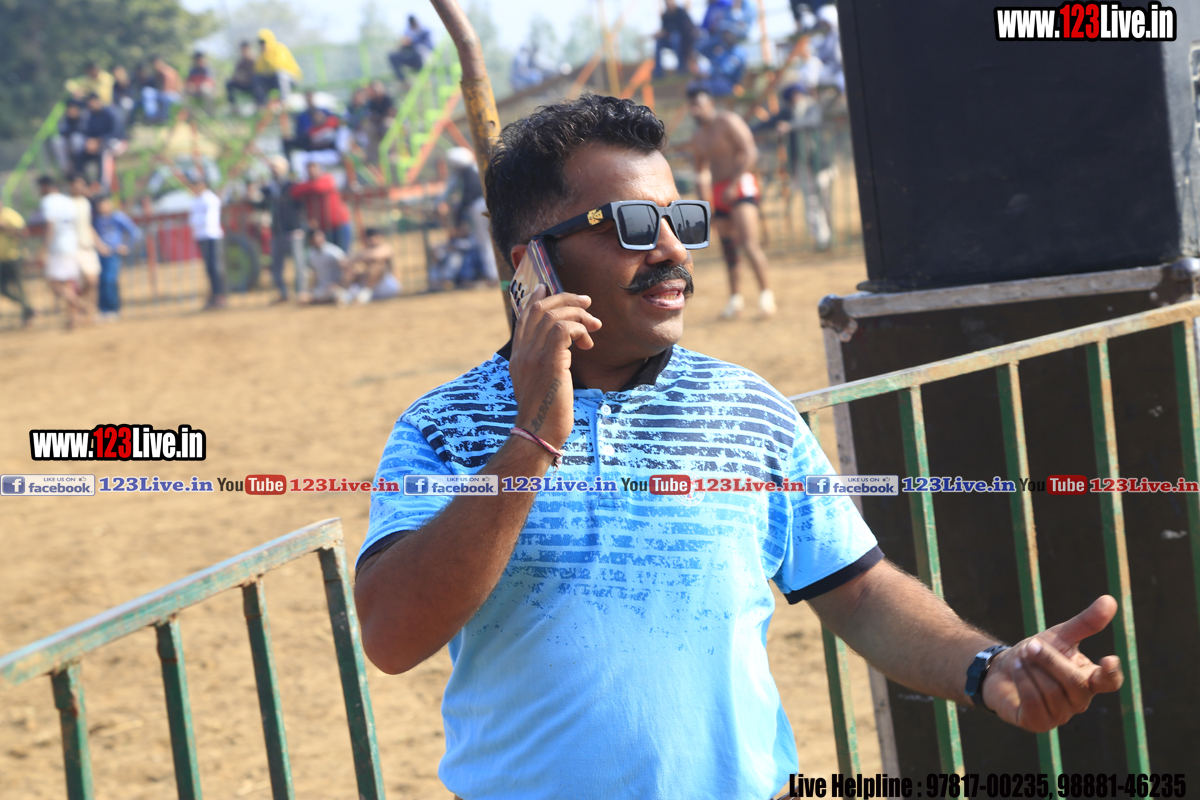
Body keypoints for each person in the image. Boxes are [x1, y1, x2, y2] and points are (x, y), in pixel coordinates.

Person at [353, 94, 1127, 800]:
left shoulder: (745, 407)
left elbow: (859, 592)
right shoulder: (444, 426)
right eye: (633, 224)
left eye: (681, 220)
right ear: (533, 262)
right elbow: (392, 637)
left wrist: (986, 667)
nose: (673, 251)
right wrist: (531, 440)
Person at [688, 85, 774, 318]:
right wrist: (705, 205)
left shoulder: (728, 121)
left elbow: (750, 152)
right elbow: (700, 172)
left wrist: (734, 184)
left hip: (740, 184)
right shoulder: (698, 137)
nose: (695, 110)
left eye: (699, 105)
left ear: (710, 104)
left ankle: (766, 297)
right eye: (692, 106)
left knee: (749, 243)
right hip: (718, 192)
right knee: (728, 248)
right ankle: (735, 300)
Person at [771, 83, 834, 251]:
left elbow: (813, 121)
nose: (796, 98)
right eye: (792, 96)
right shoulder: (788, 112)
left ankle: (829, 236)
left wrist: (790, 126)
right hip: (802, 164)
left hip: (820, 162)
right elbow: (769, 123)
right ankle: (821, 239)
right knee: (812, 201)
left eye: (797, 94)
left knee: (825, 200)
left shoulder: (812, 107)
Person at [439, 147, 497, 284]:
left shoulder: (467, 175)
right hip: (489, 203)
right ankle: (494, 274)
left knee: (486, 241)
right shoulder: (476, 170)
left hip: (479, 207)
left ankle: (493, 274)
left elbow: (465, 199)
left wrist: (458, 219)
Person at [36, 176, 88, 329]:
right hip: (72, 245)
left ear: (45, 187)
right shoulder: (68, 200)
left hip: (57, 247)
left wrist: (44, 248)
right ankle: (73, 319)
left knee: (53, 283)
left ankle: (80, 304)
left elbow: (50, 226)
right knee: (68, 284)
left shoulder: (47, 201)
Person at [259, 156, 308, 302]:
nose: (274, 170)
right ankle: (282, 292)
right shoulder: (269, 188)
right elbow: (260, 204)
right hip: (277, 231)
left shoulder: (293, 186)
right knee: (276, 265)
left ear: (284, 169)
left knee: (299, 264)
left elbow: (301, 205)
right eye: (272, 167)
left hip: (294, 230)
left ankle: (302, 292)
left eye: (277, 167)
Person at [92, 195, 141, 319]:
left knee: (110, 280)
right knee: (101, 281)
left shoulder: (117, 217)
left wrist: (126, 245)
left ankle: (113, 309)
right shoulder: (95, 220)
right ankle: (103, 310)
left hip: (113, 254)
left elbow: (135, 232)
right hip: (98, 254)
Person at [291, 162, 352, 252]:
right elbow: (295, 192)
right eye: (309, 170)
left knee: (342, 253)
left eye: (314, 169)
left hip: (339, 224)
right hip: (323, 228)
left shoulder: (327, 178)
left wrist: (307, 186)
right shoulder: (306, 185)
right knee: (327, 253)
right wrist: (308, 186)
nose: (312, 172)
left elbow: (320, 187)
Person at [189, 177, 225, 309]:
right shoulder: (196, 199)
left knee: (216, 268)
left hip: (212, 235)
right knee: (209, 268)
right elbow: (192, 219)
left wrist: (197, 222)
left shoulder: (210, 199)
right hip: (201, 236)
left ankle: (220, 295)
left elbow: (207, 219)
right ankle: (213, 295)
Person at [77, 94, 126, 188]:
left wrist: (99, 140)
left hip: (117, 142)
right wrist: (89, 142)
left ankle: (103, 186)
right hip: (98, 144)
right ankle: (82, 183)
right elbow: (89, 133)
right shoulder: (91, 117)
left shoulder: (110, 113)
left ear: (97, 101)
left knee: (104, 152)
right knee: (81, 154)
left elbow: (116, 132)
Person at [339, 227, 399, 303]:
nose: (372, 240)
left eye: (375, 237)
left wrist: (357, 257)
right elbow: (344, 262)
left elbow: (375, 255)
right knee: (353, 270)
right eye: (369, 238)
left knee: (377, 265)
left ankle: (365, 293)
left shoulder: (386, 248)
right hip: (368, 287)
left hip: (386, 286)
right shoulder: (364, 251)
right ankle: (345, 293)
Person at [0, 195, 34, 326]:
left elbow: (24, 234)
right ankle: (26, 307)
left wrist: (6, 228)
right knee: (3, 289)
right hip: (1, 260)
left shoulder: (10, 216)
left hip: (14, 258)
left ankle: (26, 315)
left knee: (19, 288)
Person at [70, 176, 101, 312]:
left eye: (82, 185)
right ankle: (78, 307)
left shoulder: (85, 203)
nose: (80, 188)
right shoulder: (67, 203)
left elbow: (88, 225)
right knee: (81, 282)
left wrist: (99, 243)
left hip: (88, 246)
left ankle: (87, 310)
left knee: (93, 282)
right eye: (78, 185)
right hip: (74, 248)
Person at [289, 107, 348, 177]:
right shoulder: (315, 130)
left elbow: (340, 144)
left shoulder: (336, 125)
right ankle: (302, 178)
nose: (317, 118)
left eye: (319, 116)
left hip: (335, 154)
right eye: (315, 117)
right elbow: (314, 143)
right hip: (324, 153)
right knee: (300, 156)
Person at [254, 29, 303, 106]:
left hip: (291, 78)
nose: (262, 45)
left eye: (263, 42)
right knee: (256, 78)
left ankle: (284, 101)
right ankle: (262, 104)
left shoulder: (279, 48)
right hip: (274, 79)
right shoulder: (262, 54)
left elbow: (278, 66)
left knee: (281, 74)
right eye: (260, 43)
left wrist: (266, 57)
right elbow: (258, 70)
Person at [299, 227, 345, 304]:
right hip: (320, 288)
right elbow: (313, 275)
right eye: (315, 238)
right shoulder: (310, 254)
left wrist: (339, 283)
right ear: (311, 240)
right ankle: (323, 299)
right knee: (302, 298)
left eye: (320, 236)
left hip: (334, 288)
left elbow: (346, 270)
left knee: (339, 298)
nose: (318, 239)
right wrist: (311, 288)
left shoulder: (334, 252)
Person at [653, 0, 697, 78]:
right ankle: (658, 71)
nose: (668, 4)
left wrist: (668, 32)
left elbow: (686, 28)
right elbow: (664, 29)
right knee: (659, 42)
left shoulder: (681, 12)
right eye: (667, 3)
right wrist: (660, 34)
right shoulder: (666, 16)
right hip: (669, 40)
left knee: (675, 38)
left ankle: (682, 67)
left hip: (683, 41)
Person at [389, 15, 434, 82]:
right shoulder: (408, 33)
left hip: (423, 59)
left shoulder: (425, 32)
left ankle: (425, 79)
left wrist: (412, 42)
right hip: (412, 58)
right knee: (393, 56)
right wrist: (403, 45)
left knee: (419, 52)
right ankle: (403, 81)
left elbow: (429, 46)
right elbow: (404, 47)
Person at [49, 100, 89, 176]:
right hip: (68, 144)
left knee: (76, 138)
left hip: (83, 145)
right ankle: (66, 168)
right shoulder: (66, 120)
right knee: (57, 140)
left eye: (73, 108)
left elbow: (84, 131)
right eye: (69, 109)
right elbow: (62, 132)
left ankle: (79, 165)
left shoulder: (84, 118)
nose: (71, 111)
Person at [365, 80, 396, 165]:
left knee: (388, 124)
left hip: (389, 122)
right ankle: (373, 157)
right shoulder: (372, 101)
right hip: (378, 123)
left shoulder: (388, 99)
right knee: (368, 127)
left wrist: (379, 117)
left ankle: (392, 153)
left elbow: (391, 113)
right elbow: (371, 115)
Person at [143, 56, 182, 123]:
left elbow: (170, 88)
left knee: (165, 97)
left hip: (172, 95)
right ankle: (151, 116)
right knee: (147, 92)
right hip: (163, 94)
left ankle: (163, 119)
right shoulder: (157, 73)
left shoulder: (167, 72)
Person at [226, 41, 258, 110]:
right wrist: (239, 78)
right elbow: (235, 74)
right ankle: (233, 107)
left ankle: (259, 104)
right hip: (243, 83)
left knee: (257, 81)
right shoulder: (241, 62)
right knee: (229, 83)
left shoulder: (255, 60)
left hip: (253, 84)